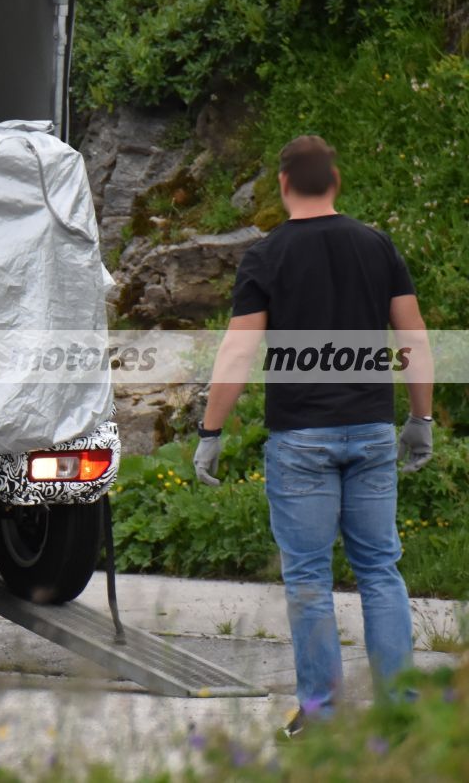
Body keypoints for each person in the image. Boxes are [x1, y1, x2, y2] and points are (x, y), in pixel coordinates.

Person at [191, 135, 434, 737]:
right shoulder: (377, 246)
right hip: (373, 430)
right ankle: (399, 711)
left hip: (301, 440)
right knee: (380, 570)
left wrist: (211, 430)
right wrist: (420, 418)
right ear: (336, 180)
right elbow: (415, 339)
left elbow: (239, 350)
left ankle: (323, 718)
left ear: (282, 185)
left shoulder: (266, 256)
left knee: (307, 579)